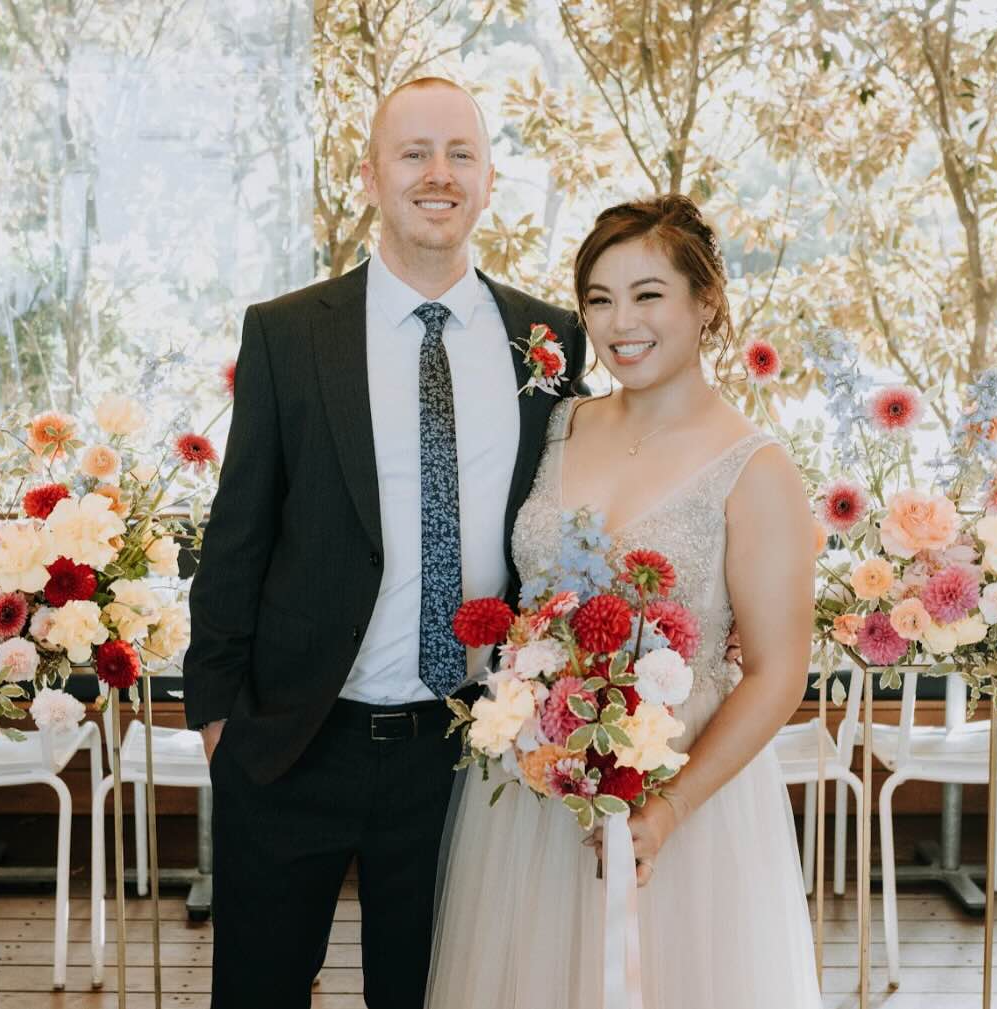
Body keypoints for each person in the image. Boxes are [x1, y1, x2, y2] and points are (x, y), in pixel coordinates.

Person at [182, 77, 586, 1008]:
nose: (437, 173)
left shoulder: (549, 340)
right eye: (413, 153)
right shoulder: (288, 333)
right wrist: (218, 718)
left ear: (489, 179)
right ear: (370, 175)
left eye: (460, 154)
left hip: (466, 754)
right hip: (294, 740)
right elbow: (237, 531)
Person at [426, 194, 822, 1008]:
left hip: (685, 802)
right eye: (599, 300)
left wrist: (667, 812)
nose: (619, 323)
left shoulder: (757, 470)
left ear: (705, 301)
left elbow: (780, 673)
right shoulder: (558, 424)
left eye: (648, 295)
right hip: (530, 803)